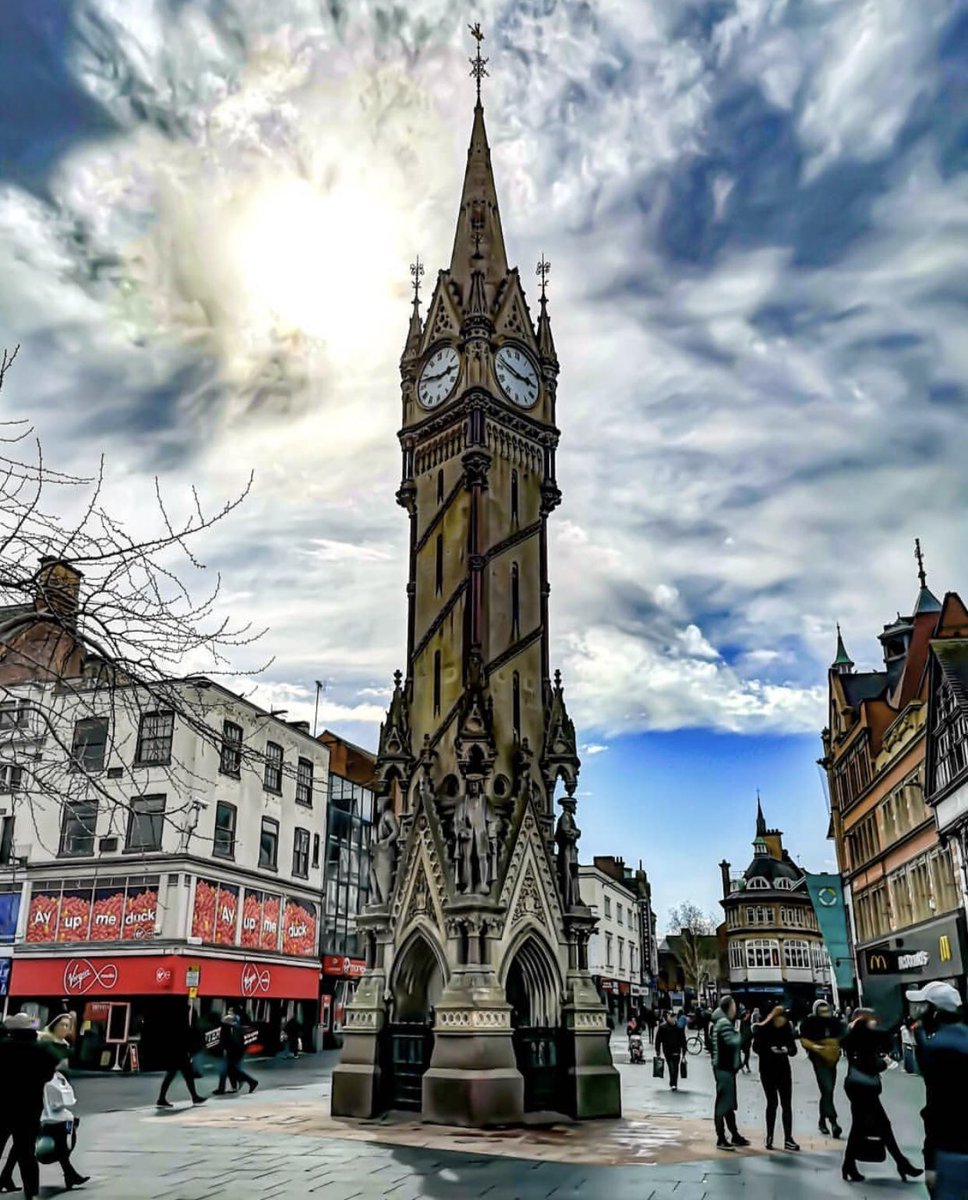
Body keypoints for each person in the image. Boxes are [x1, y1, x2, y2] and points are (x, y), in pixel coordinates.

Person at [841, 1007, 922, 1184]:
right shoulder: (861, 1038)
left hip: (857, 1086)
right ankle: (902, 1164)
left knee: (863, 1126)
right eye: (871, 1019)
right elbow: (870, 1064)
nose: (875, 1022)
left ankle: (850, 1165)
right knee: (878, 1125)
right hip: (863, 1088)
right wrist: (883, 1063)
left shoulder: (856, 1037)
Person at [907, 980, 968, 1199]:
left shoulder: (938, 1049)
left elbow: (938, 1109)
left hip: (950, 1151)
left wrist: (931, 1162)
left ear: (935, 1012)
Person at [0, 1013, 58, 1199]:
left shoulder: (2, 1047)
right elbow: (48, 1075)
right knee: (26, 1151)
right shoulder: (42, 1049)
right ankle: (31, 1192)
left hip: (3, 1105)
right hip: (30, 1106)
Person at [752, 1005, 800, 1151]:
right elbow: (756, 1047)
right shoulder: (764, 1029)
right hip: (767, 1069)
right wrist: (769, 1050)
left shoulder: (786, 1028)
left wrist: (787, 1049)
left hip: (783, 1069)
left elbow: (794, 1049)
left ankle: (788, 1138)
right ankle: (770, 1136)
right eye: (780, 1018)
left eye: (784, 1018)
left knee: (786, 1104)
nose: (782, 1021)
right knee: (772, 1103)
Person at [799, 999, 845, 1137]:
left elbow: (842, 1035)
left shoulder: (834, 1022)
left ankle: (821, 1121)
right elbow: (804, 1038)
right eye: (821, 1011)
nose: (825, 1013)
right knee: (827, 1088)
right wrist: (815, 1047)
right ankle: (833, 1122)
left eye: (826, 1010)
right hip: (819, 1059)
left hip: (832, 1059)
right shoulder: (810, 1023)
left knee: (827, 1092)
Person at [710, 994, 750, 1151]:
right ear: (728, 1007)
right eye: (733, 1006)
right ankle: (721, 1138)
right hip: (724, 1068)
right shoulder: (724, 1023)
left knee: (728, 1103)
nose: (736, 1009)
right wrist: (746, 1031)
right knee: (723, 1103)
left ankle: (734, 1135)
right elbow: (734, 1041)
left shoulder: (722, 1022)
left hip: (724, 1067)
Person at [38, 1066, 88, 1190]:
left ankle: (70, 1174)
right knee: (64, 1141)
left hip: (51, 1120)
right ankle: (70, 1174)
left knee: (65, 1138)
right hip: (51, 1122)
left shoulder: (55, 1078)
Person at [156, 1012, 207, 1108]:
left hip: (177, 1054)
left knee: (174, 1076)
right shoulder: (182, 1026)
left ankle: (162, 1098)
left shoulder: (177, 1025)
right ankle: (194, 1097)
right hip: (179, 1054)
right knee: (184, 1076)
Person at [217, 1011, 258, 1096]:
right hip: (235, 1052)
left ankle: (250, 1081)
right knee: (230, 1070)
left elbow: (230, 1042)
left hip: (233, 1052)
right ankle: (245, 1082)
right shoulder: (236, 1028)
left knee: (231, 1070)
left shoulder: (229, 1029)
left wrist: (226, 1050)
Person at [655, 1010, 687, 1091]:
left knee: (675, 1066)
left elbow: (683, 1039)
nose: (672, 1019)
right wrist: (658, 1050)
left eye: (674, 1017)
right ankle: (672, 1082)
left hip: (677, 1049)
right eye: (671, 1017)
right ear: (667, 1017)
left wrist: (684, 1051)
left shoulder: (679, 1028)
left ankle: (674, 1083)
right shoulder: (663, 1027)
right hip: (667, 1050)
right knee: (671, 1066)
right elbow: (658, 1039)